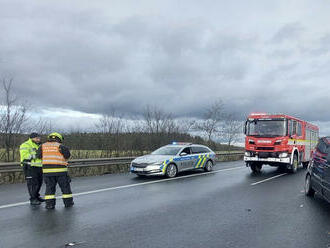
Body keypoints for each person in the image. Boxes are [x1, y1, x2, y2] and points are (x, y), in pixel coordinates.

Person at [37, 132, 74, 209]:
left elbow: (39, 156)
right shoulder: (61, 146)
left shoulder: (42, 146)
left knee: (49, 189)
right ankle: (68, 203)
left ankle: (49, 205)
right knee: (65, 188)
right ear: (59, 139)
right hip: (61, 171)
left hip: (47, 172)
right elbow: (67, 156)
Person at [20, 133, 44, 205]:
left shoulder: (40, 145)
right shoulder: (25, 145)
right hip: (29, 166)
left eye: (39, 138)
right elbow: (25, 156)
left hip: (39, 166)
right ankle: (33, 199)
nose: (38, 139)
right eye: (37, 138)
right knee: (32, 184)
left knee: (39, 183)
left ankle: (36, 196)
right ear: (32, 138)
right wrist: (36, 155)